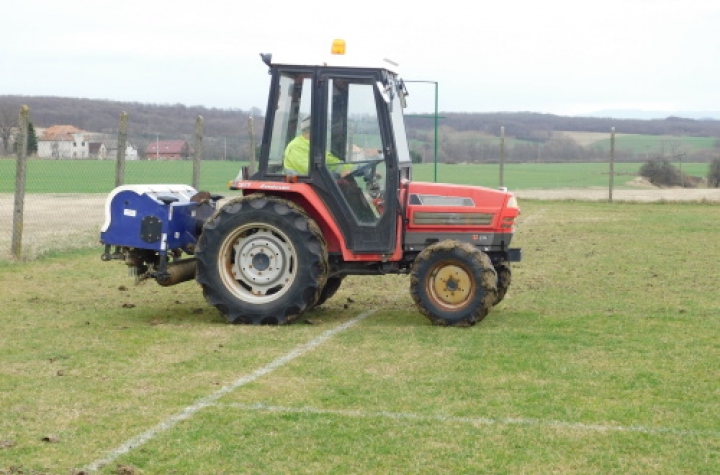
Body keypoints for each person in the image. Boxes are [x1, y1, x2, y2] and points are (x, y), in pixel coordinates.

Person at [283, 116, 350, 176]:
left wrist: (355, 168)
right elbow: (309, 170)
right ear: (312, 130)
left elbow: (333, 162)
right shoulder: (295, 147)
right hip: (301, 184)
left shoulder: (315, 146)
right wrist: (335, 175)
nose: (324, 133)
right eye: (322, 129)